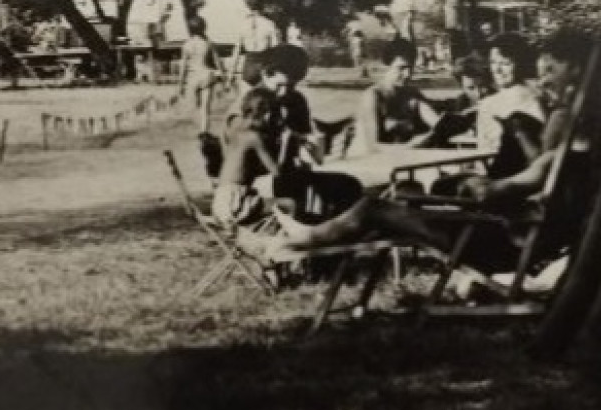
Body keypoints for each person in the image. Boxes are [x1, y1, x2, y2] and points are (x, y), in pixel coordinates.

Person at [239, 33, 574, 271]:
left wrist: (468, 181)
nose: (541, 86)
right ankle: (300, 243)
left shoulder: (549, 162)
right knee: (391, 200)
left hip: (493, 235)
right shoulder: (562, 158)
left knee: (381, 206)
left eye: (549, 76)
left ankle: (288, 245)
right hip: (495, 228)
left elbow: (491, 191)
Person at [348, 38, 442, 156]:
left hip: (399, 161)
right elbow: (371, 147)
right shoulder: (373, 96)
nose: (407, 74)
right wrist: (410, 146)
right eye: (401, 68)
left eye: (410, 68)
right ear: (386, 67)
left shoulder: (411, 94)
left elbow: (438, 124)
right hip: (363, 164)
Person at [211, 88, 286, 227]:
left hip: (221, 201)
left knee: (265, 198)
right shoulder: (254, 137)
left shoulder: (235, 129)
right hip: (234, 203)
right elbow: (277, 173)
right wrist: (286, 142)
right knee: (289, 205)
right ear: (267, 114)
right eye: (276, 116)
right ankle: (285, 241)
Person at [179, 15, 223, 136]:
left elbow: (183, 67)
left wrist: (180, 85)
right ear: (204, 27)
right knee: (205, 108)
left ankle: (201, 129)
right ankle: (204, 132)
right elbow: (218, 62)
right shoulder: (209, 43)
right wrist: (223, 77)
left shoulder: (187, 45)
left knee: (195, 107)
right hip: (207, 76)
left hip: (193, 78)